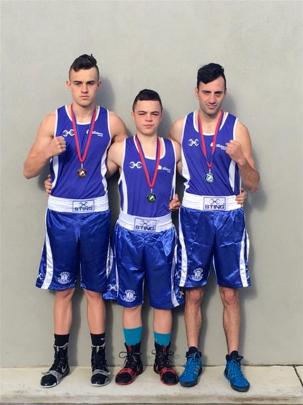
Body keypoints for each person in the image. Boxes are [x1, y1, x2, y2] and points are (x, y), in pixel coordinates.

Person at [23, 54, 127, 388]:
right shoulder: (52, 121)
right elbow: (28, 169)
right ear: (69, 84)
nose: (84, 89)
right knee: (64, 291)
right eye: (78, 83)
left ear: (98, 85)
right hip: (61, 216)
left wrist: (103, 172)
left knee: (96, 291)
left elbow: (129, 156)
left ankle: (98, 362)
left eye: (90, 83)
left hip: (96, 214)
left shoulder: (111, 122)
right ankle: (60, 362)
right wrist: (47, 154)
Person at [169, 63, 260, 391]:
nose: (211, 98)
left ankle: (233, 360)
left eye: (218, 92)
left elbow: (254, 182)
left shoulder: (238, 130)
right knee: (192, 292)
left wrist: (241, 161)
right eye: (206, 92)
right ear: (196, 91)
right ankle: (193, 355)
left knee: (229, 293)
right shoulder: (180, 127)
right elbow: (163, 165)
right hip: (193, 218)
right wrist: (170, 199)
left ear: (225, 92)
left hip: (228, 218)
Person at [104, 89, 183, 386]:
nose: (148, 118)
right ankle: (133, 360)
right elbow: (91, 179)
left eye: (154, 113)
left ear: (160, 115)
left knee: (163, 303)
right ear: (133, 114)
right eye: (142, 113)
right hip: (129, 235)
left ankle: (163, 361)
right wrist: (54, 182)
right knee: (131, 302)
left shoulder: (174, 149)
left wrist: (236, 191)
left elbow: (201, 178)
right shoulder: (120, 149)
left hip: (162, 234)